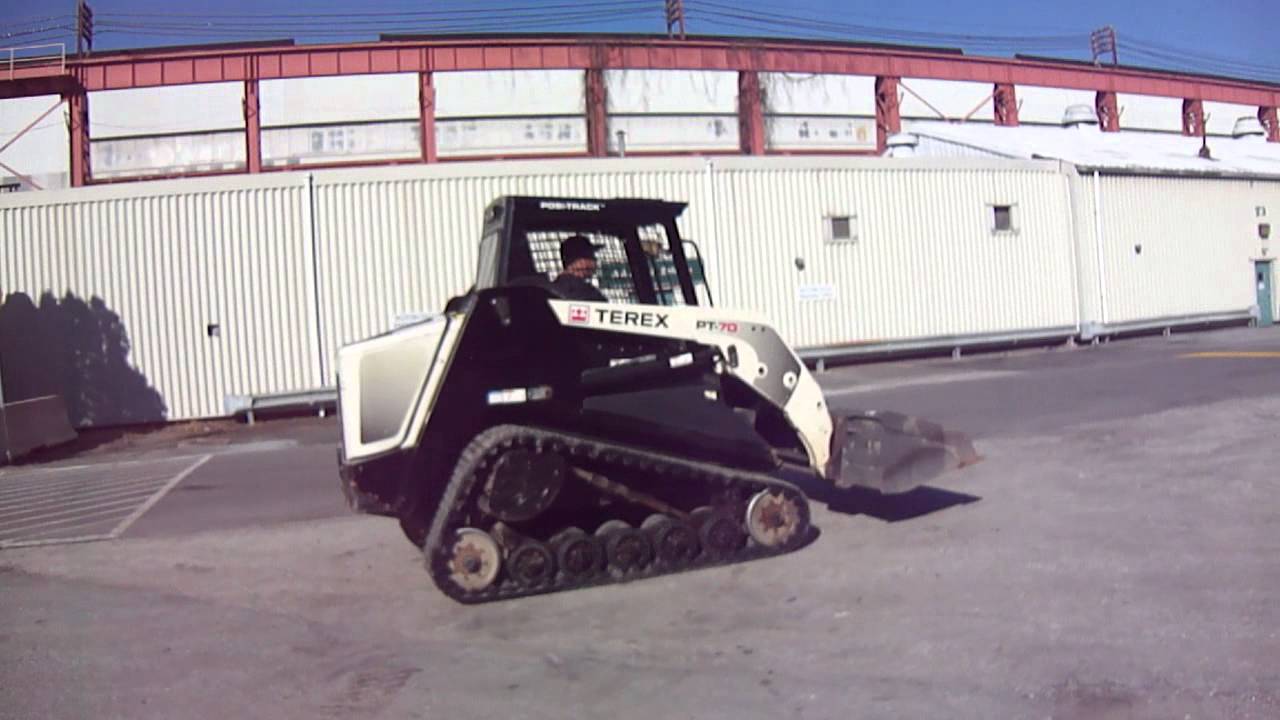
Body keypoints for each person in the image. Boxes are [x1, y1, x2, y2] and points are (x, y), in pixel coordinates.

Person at [552, 234, 608, 302]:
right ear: (582, 261)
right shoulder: (587, 292)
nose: (595, 262)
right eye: (592, 257)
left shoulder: (555, 287)